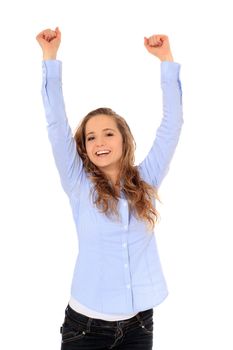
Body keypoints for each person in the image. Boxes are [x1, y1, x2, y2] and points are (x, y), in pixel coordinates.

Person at [36, 26, 183, 350]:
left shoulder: (146, 179)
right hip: (86, 330)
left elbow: (171, 127)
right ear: (83, 147)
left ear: (124, 139)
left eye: (108, 133)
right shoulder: (78, 183)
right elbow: (56, 125)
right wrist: (50, 57)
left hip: (140, 324)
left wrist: (166, 60)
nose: (99, 142)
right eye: (90, 137)